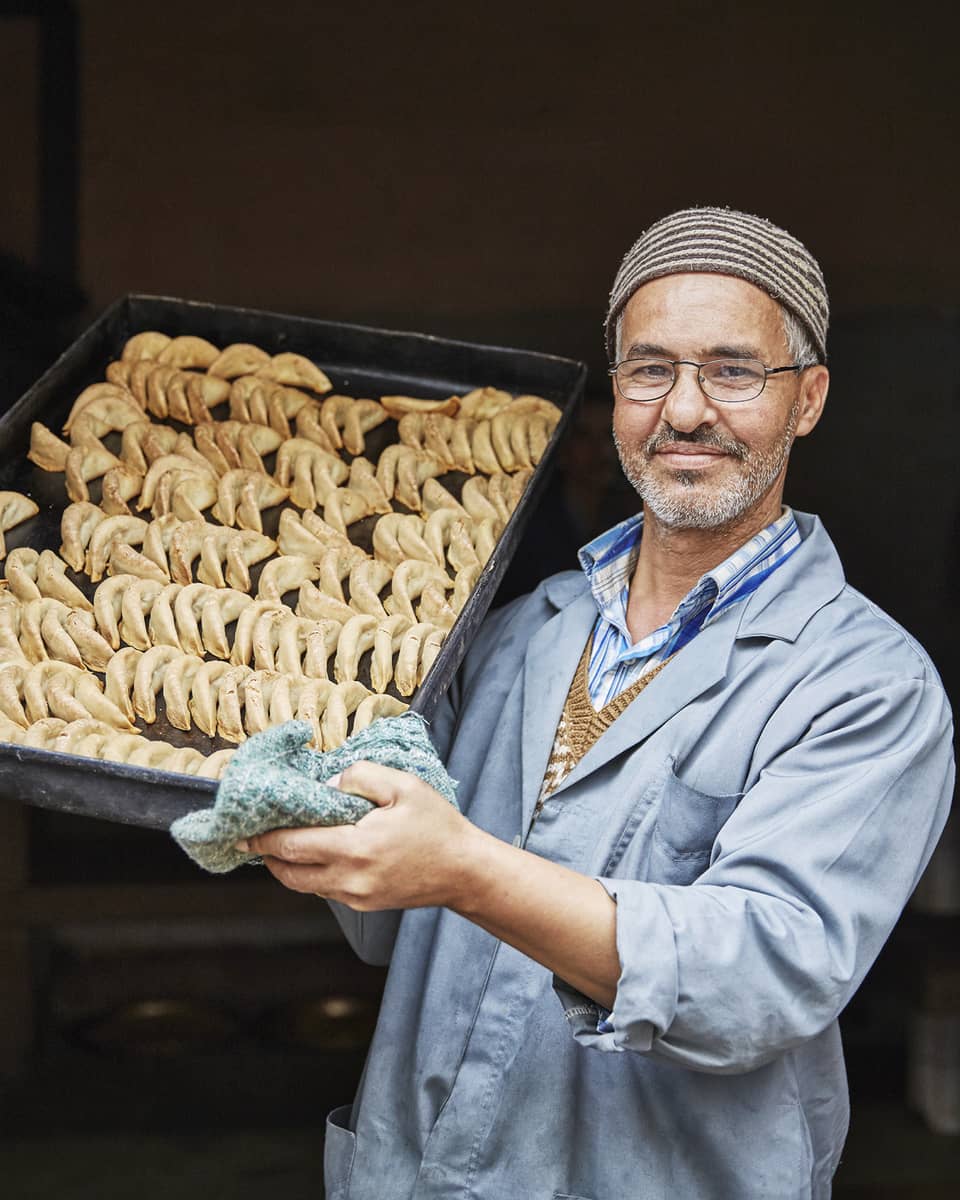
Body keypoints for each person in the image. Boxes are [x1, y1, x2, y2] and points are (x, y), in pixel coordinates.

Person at [239, 208, 955, 1199]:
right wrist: (301, 785)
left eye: (734, 371)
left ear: (809, 399)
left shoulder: (863, 684)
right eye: (650, 370)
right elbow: (391, 921)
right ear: (615, 393)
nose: (687, 409)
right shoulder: (520, 630)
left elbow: (759, 977)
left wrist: (464, 870)